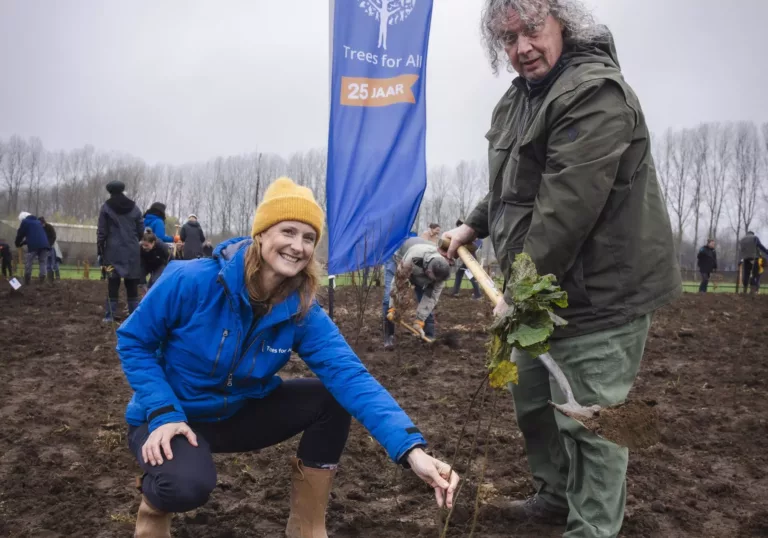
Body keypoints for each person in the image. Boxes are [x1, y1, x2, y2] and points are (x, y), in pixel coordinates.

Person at [443, 2, 681, 536]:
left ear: (562, 24)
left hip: (599, 294)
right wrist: (474, 225)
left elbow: (566, 207)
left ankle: (591, 527)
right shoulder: (521, 97)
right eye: (508, 38)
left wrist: (518, 289)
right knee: (534, 402)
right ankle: (554, 497)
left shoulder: (593, 93)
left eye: (531, 29)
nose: (521, 47)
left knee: (590, 426)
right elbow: (514, 177)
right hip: (543, 293)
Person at [116, 177, 459, 538]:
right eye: (288, 231)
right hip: (174, 418)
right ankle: (153, 509)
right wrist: (162, 412)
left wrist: (412, 450)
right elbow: (133, 341)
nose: (298, 246)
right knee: (185, 486)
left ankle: (307, 527)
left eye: (308, 237)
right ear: (262, 233)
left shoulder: (302, 310)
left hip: (238, 414)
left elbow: (351, 376)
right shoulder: (192, 280)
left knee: (331, 397)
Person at [383, 237, 451, 349]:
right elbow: (398, 284)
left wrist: (419, 320)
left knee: (425, 299)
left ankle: (429, 335)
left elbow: (431, 297)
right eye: (435, 279)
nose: (437, 282)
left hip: (421, 269)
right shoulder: (412, 260)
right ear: (429, 272)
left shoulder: (441, 272)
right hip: (398, 259)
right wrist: (393, 307)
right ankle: (389, 337)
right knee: (388, 299)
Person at [97, 180, 144, 322]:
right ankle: (134, 317)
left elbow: (102, 232)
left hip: (112, 253)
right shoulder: (135, 207)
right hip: (132, 252)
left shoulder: (106, 207)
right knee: (132, 285)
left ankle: (109, 316)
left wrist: (100, 250)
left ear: (110, 192)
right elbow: (141, 229)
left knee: (113, 283)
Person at [14, 211, 50, 285]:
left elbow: (20, 233)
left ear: (22, 218)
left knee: (29, 261)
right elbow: (35, 236)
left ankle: (27, 280)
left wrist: (17, 243)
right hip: (45, 244)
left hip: (34, 246)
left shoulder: (25, 222)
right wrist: (23, 243)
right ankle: (42, 278)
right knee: (42, 262)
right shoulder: (38, 222)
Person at [451, 219, 483, 299]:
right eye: (458, 226)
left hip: (470, 259)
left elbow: (478, 243)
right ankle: (455, 292)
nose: (459, 228)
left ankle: (478, 294)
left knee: (470, 276)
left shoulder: (471, 233)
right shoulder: (460, 235)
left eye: (460, 226)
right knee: (460, 273)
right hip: (466, 259)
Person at [38, 217, 58, 282]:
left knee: (51, 263)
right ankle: (46, 278)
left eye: (41, 223)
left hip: (51, 247)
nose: (41, 224)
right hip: (43, 247)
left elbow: (54, 236)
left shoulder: (49, 227)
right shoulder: (39, 228)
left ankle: (51, 279)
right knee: (44, 263)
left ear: (43, 222)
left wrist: (49, 244)